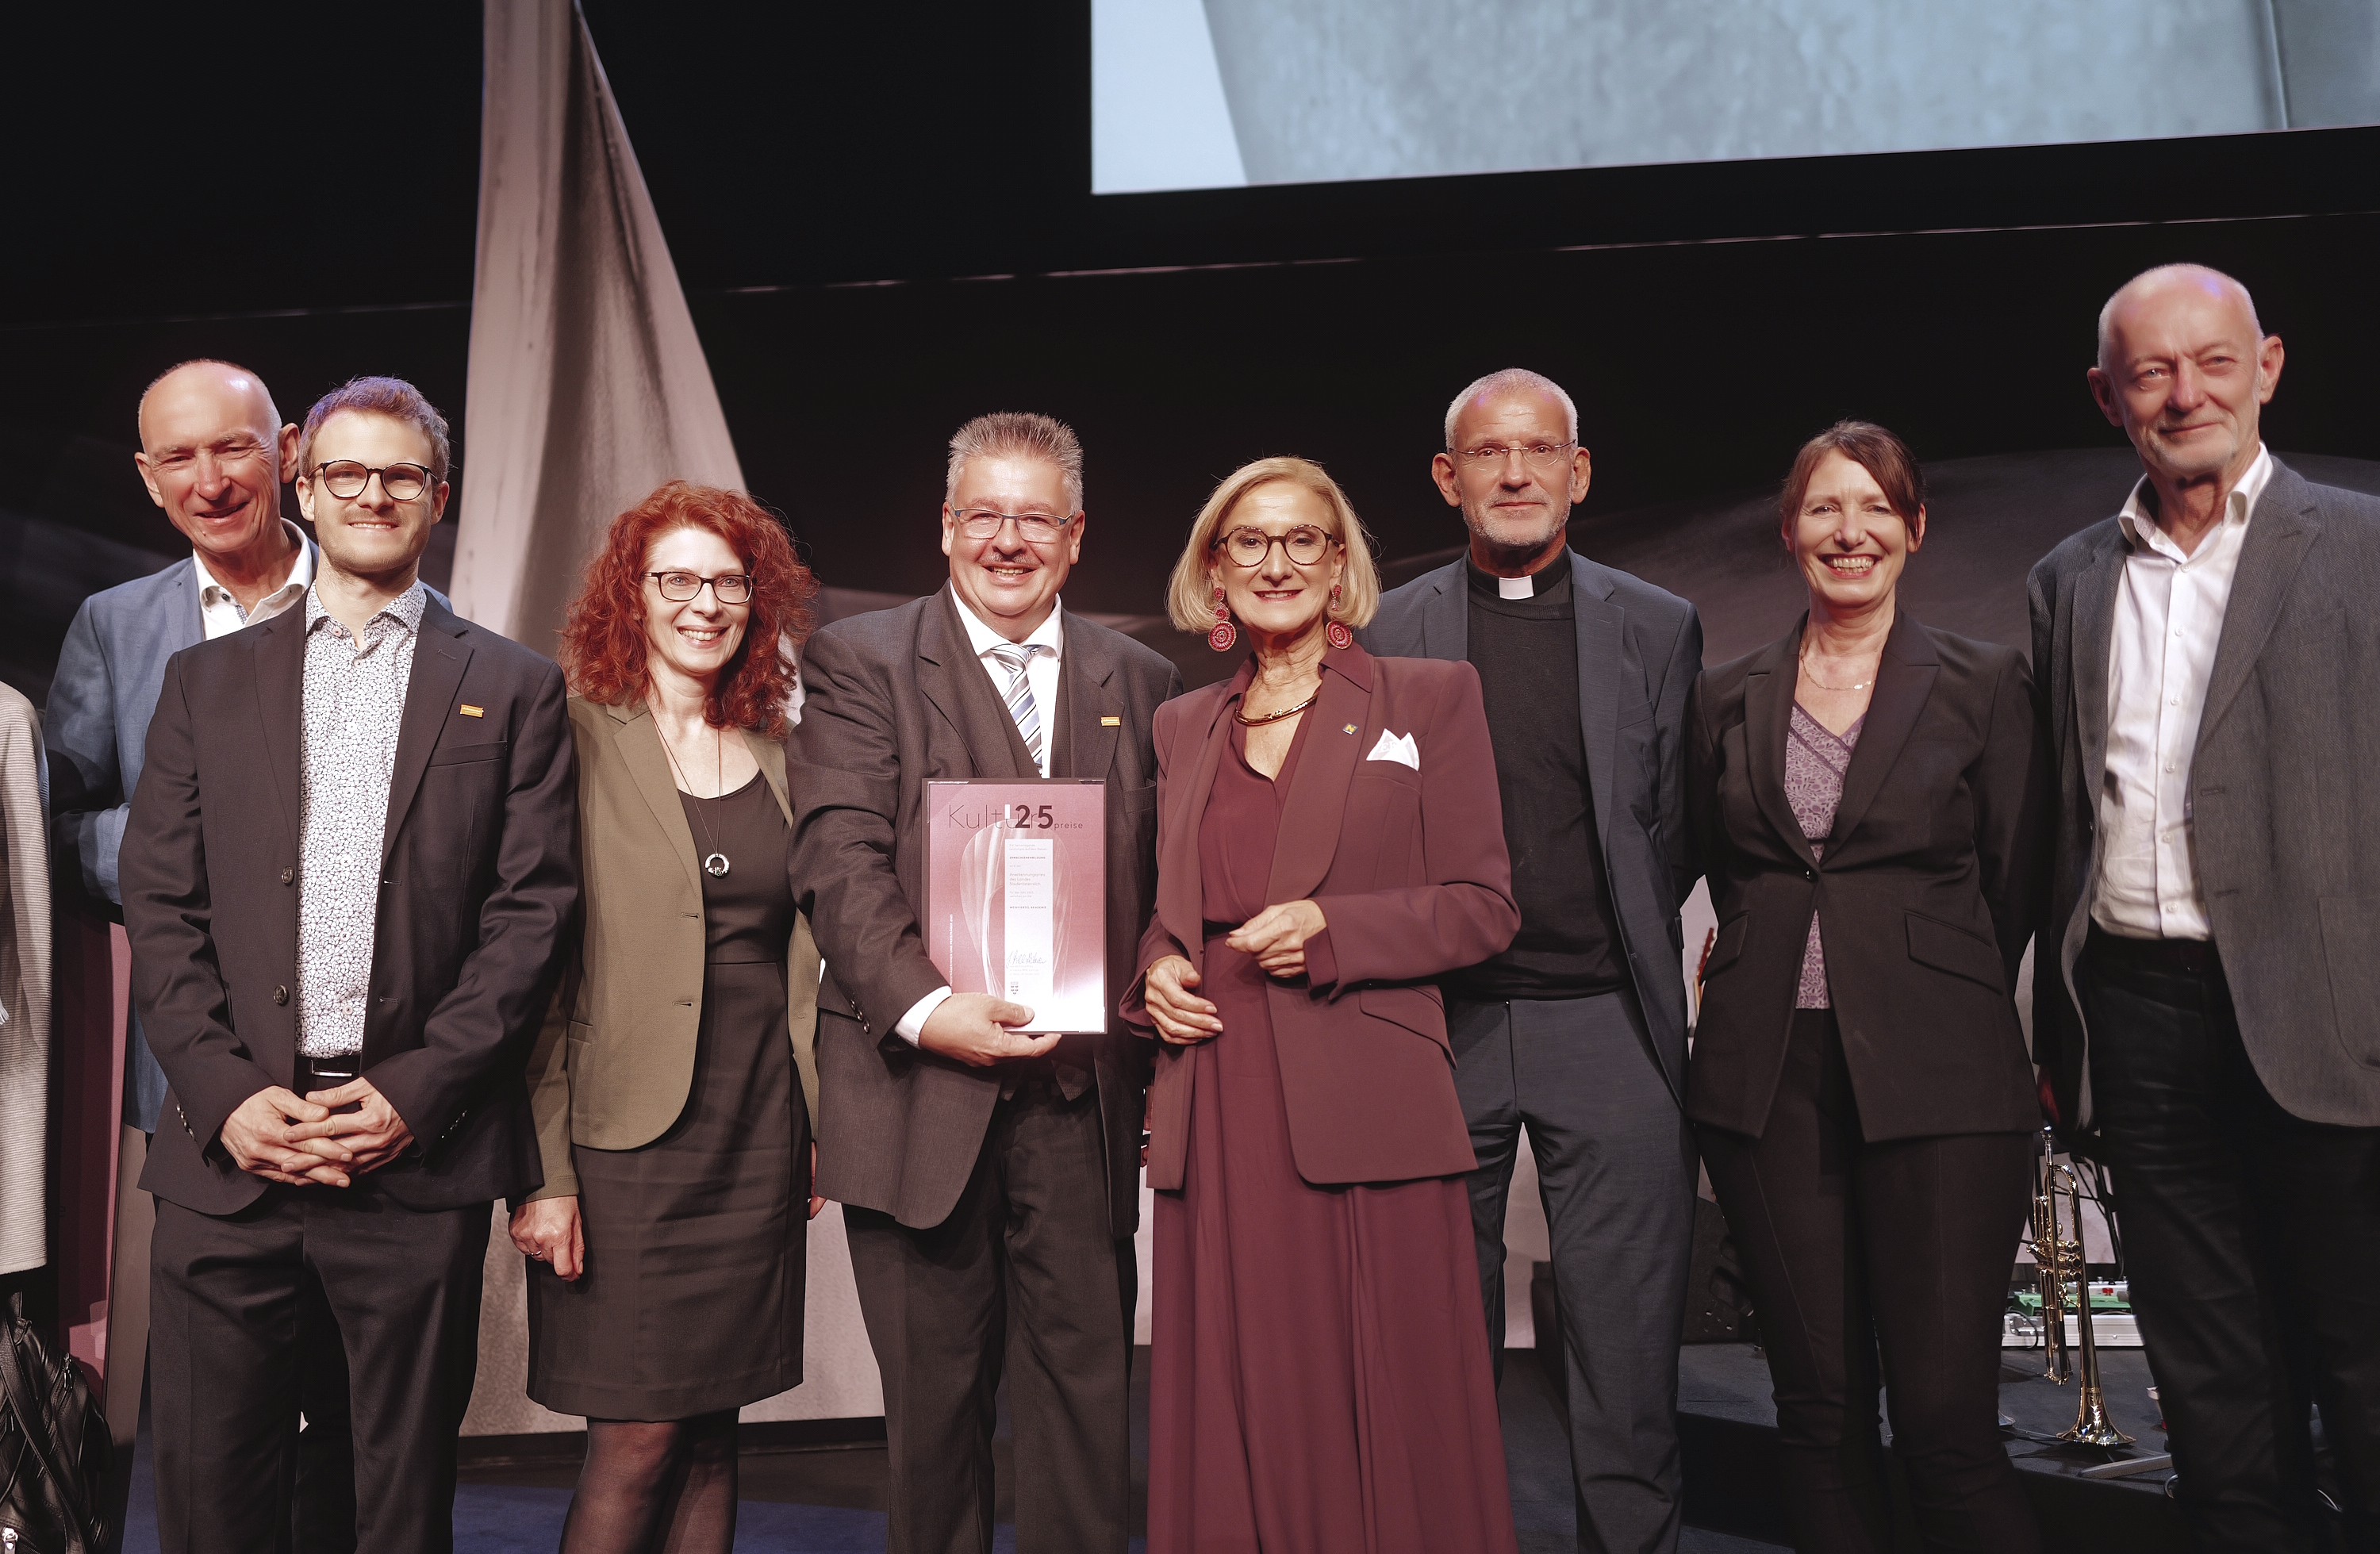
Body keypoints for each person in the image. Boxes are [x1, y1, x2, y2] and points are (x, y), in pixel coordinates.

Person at [121, 376, 579, 1554]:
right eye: (347, 474)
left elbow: (530, 919)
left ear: (441, 498)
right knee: (215, 1506)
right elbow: (160, 910)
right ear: (305, 488)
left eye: (402, 476)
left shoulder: (514, 687)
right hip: (233, 1163)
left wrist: (416, 1096)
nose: (374, 495)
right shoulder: (203, 683)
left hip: (410, 1163)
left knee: (393, 1511)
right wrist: (227, 1098)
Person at [2029, 263, 2380, 1551]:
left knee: (2364, 1366)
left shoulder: (2365, 544)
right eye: (2154, 370)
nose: (2188, 394)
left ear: (2268, 367)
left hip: (2337, 1024)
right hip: (2143, 1019)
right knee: (2212, 1390)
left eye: (2214, 362)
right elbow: (2059, 821)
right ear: (2109, 395)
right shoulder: (2069, 578)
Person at [786, 412, 1180, 1554]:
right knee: (934, 1425)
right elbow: (839, 859)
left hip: (1081, 1109)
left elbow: (1159, 883)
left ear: (1075, 538)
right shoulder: (860, 660)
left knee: (1085, 1417)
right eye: (986, 516)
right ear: (947, 527)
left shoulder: (1141, 677)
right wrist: (926, 1007)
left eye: (1036, 519)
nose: (1009, 541)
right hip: (917, 1095)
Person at [1128, 455, 1522, 1552]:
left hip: (1368, 1102)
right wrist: (1155, 969)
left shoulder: (1431, 698)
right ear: (1214, 572)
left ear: (1341, 564)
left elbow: (1484, 907)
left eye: (1305, 539)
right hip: (1221, 1099)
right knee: (1240, 1388)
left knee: (1389, 1401)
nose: (1277, 563)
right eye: (1248, 542)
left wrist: (1337, 931)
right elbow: (1179, 907)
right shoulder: (1182, 725)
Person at [1686, 421, 2049, 1552]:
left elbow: (2014, 879)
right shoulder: (1725, 697)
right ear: (1790, 531)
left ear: (1915, 529)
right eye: (1827, 510)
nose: (1852, 533)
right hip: (1766, 1085)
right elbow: (1717, 864)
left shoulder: (1986, 684)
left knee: (1946, 1427)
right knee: (1820, 1415)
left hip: (1942, 1081)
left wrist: (1907, 979)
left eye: (1876, 509)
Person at [1362, 366, 1703, 1552]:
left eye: (1539, 452)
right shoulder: (1387, 631)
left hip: (1607, 1023)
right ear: (1450, 480)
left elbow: (1675, 823)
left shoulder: (1658, 627)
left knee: (1627, 1356)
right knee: (1430, 1358)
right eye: (1489, 456)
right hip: (1436, 1028)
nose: (1516, 475)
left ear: (1578, 471)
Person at [44, 357, 363, 1548]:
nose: (209, 478)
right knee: (207, 1419)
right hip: (195, 1087)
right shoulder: (116, 629)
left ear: (285, 453)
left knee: (355, 1415)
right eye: (177, 457)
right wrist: (198, 835)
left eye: (231, 448)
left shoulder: (380, 596)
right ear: (145, 478)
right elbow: (61, 833)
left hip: (362, 1077)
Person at [510, 482, 824, 1553]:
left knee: (712, 1435)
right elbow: (534, 973)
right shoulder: (570, 736)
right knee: (636, 1440)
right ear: (631, 597)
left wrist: (817, 1127)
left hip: (756, 1133)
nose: (704, 603)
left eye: (728, 582)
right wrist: (541, 1175)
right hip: (621, 1152)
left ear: (757, 600)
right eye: (676, 580)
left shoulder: (786, 745)